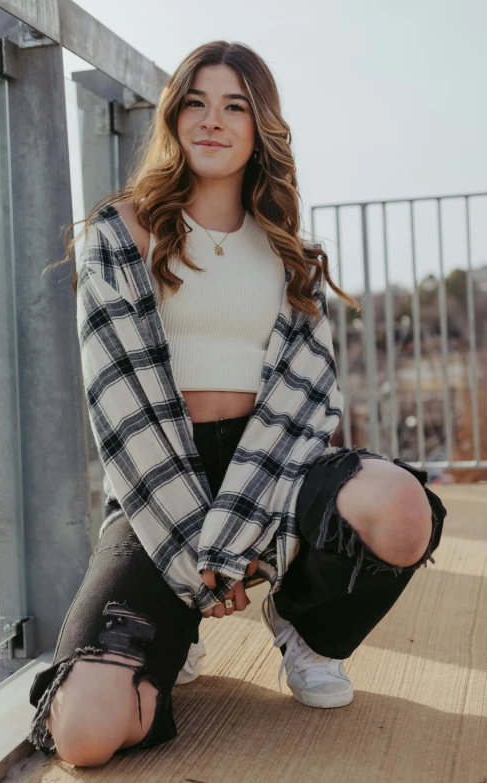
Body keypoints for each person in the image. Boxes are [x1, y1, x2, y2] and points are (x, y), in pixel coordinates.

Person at [27, 41, 447, 768]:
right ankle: (170, 635)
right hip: (159, 477)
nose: (212, 121)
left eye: (234, 106)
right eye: (195, 101)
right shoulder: (118, 235)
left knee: (403, 509)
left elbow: (310, 403)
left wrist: (237, 532)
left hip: (271, 466)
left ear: (261, 128)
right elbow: (120, 408)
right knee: (85, 734)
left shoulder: (289, 253)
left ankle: (306, 626)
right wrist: (198, 563)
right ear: (173, 117)